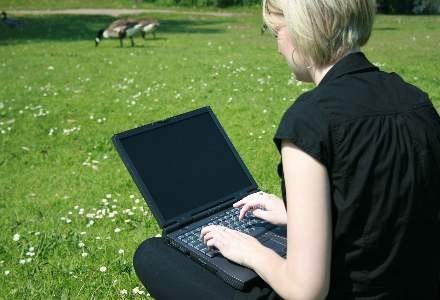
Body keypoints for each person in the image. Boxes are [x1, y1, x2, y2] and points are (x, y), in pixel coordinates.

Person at [133, 0, 440, 299]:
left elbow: (306, 291)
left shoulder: (311, 121)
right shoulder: (417, 101)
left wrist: (253, 252)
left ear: (301, 30)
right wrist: (297, 216)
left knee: (152, 254)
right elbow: (388, 210)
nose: (278, 46)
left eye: (276, 31)